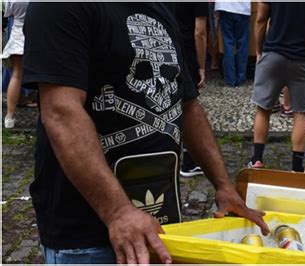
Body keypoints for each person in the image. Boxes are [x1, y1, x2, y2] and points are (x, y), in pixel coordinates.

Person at [22, 2, 269, 264]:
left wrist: (224, 186)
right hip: (90, 236)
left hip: (160, 226)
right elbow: (61, 113)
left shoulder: (159, 7)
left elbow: (186, 105)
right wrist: (118, 212)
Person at [249, 2, 305, 172]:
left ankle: (257, 160)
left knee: (263, 109)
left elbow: (260, 20)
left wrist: (260, 52)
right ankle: (297, 167)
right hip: (303, 58)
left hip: (273, 54)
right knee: (301, 114)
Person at [171, 2, 208, 177]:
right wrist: (201, 66)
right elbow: (199, 32)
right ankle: (188, 162)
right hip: (187, 52)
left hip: (167, 50)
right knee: (188, 107)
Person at [2, 0, 29, 128]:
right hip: (38, 33)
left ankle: (9, 117)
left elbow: (8, 13)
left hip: (18, 33)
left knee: (16, 74)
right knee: (42, 77)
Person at [214, 0, 251, 87]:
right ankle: (240, 77)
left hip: (225, 6)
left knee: (228, 43)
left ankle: (230, 79)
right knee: (242, 44)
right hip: (243, 8)